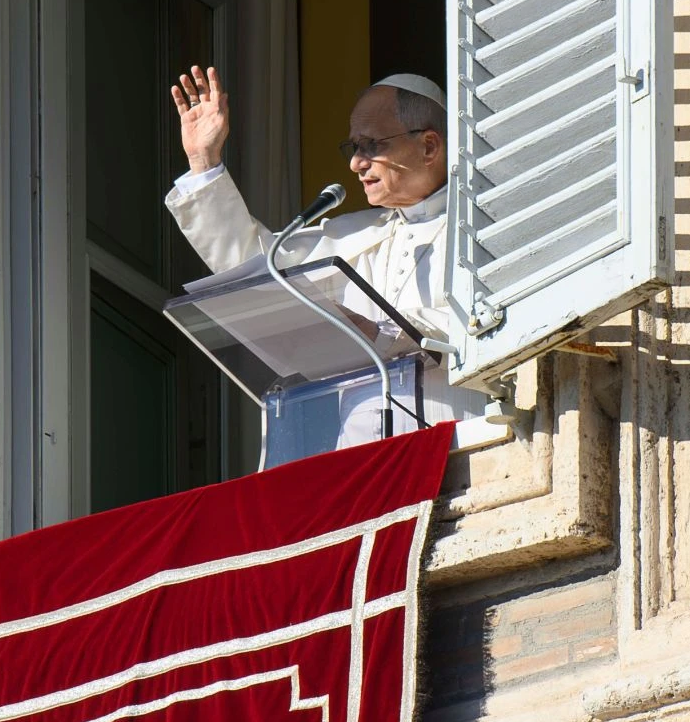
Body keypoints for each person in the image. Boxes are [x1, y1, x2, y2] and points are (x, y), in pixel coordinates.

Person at [164, 65, 470, 451]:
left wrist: (385, 334)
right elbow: (254, 267)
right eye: (354, 147)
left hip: (460, 442)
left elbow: (484, 327)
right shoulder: (355, 234)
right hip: (360, 453)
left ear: (428, 146)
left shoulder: (481, 231)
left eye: (372, 145)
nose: (356, 164)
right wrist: (203, 162)